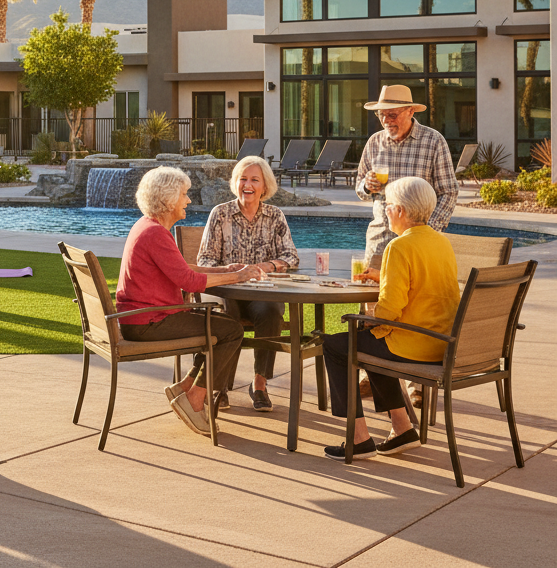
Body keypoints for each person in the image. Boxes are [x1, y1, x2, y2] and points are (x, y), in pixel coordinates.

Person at [116, 166, 264, 439]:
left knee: (222, 326)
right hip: (150, 321)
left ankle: (185, 386)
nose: (188, 200)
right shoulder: (155, 233)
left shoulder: (148, 227)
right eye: (184, 194)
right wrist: (239, 275)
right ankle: (195, 398)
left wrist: (224, 270)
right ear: (170, 199)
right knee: (231, 331)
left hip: (143, 318)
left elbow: (182, 268)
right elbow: (190, 282)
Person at [322, 176, 460, 460]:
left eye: (388, 205)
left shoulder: (398, 247)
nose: (385, 210)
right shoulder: (441, 242)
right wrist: (386, 277)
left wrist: (370, 319)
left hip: (413, 345)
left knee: (337, 346)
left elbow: (389, 310)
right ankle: (403, 429)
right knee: (370, 341)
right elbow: (426, 284)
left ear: (401, 211)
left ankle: (359, 439)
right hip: (440, 342)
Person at [196, 155, 299, 412]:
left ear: (265, 186)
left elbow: (291, 256)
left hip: (260, 293)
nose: (248, 185)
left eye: (255, 179)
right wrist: (230, 272)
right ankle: (220, 386)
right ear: (235, 183)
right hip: (225, 291)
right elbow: (204, 259)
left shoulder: (275, 216)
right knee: (226, 315)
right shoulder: (220, 214)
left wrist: (267, 266)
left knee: (272, 310)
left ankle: (260, 384)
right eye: (243, 179)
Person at [355, 85, 458, 272]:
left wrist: (428, 231)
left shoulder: (433, 141)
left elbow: (449, 192)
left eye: (392, 115)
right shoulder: (374, 142)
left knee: (416, 298)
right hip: (380, 241)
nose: (386, 121)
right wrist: (367, 186)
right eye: (381, 115)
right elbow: (360, 189)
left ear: (410, 112)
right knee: (371, 294)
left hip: (419, 244)